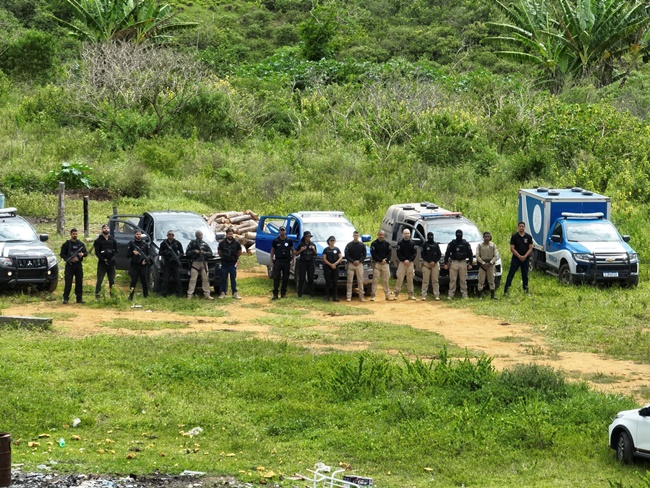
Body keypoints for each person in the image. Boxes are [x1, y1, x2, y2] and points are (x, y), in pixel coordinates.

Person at [503, 221, 533, 296]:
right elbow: (512, 248)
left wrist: (525, 256)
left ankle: (526, 290)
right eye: (520, 226)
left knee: (525, 275)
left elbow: (530, 248)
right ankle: (506, 291)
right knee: (511, 274)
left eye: (523, 226)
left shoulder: (528, 237)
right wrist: (519, 256)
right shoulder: (514, 236)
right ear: (518, 227)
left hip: (525, 259)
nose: (521, 228)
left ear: (524, 227)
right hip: (516, 259)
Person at [444, 229, 473, 300]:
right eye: (458, 234)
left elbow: (470, 253)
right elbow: (447, 253)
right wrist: (446, 263)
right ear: (455, 235)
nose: (459, 235)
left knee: (463, 279)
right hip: (454, 262)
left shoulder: (465, 243)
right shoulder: (452, 243)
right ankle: (451, 294)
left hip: (463, 262)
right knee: (452, 279)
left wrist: (470, 263)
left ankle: (464, 294)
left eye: (460, 234)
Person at [60, 228, 87, 304]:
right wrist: (69, 259)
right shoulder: (66, 244)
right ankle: (66, 298)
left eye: (76, 234)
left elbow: (86, 253)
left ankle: (79, 298)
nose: (75, 235)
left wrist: (82, 254)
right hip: (69, 266)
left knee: (79, 282)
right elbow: (62, 254)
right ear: (70, 234)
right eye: (73, 234)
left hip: (78, 265)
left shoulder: (80, 244)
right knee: (68, 282)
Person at [186, 230, 214, 300]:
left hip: (203, 262)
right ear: (196, 236)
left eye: (201, 235)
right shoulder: (192, 244)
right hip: (195, 263)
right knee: (193, 279)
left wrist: (204, 253)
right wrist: (194, 251)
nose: (200, 236)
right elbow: (187, 253)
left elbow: (210, 253)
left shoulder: (204, 244)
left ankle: (207, 294)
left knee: (205, 279)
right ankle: (190, 294)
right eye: (199, 235)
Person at [94, 224, 118, 299]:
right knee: (100, 280)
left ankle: (113, 296)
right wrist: (103, 259)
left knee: (112, 280)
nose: (106, 229)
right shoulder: (98, 240)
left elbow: (116, 250)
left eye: (107, 228)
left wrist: (112, 258)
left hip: (111, 263)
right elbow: (97, 252)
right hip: (102, 263)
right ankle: (97, 296)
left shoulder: (112, 239)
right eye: (105, 228)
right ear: (102, 230)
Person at [269, 226, 294, 300]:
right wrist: (271, 261)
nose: (282, 232)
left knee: (285, 278)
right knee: (276, 277)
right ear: (279, 231)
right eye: (281, 230)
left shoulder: (289, 240)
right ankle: (275, 294)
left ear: (285, 231)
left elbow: (292, 250)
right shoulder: (276, 240)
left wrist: (292, 260)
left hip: (286, 261)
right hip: (278, 261)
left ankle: (283, 293)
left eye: (283, 230)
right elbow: (272, 250)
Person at [218, 227, 243, 299]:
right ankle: (223, 292)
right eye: (229, 234)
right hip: (224, 263)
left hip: (232, 263)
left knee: (233, 279)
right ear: (226, 234)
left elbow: (239, 252)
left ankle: (234, 293)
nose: (230, 235)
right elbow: (219, 252)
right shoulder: (222, 243)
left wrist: (235, 258)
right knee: (223, 279)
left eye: (231, 234)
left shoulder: (237, 243)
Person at [393, 229, 417, 300]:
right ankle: (396, 294)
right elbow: (398, 253)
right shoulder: (400, 243)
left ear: (410, 234)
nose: (407, 235)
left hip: (410, 263)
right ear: (403, 234)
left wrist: (409, 260)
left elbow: (414, 253)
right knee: (400, 278)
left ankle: (410, 295)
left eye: (408, 233)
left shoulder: (413, 243)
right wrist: (404, 260)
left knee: (410, 279)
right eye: (405, 233)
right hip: (402, 263)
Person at [370, 230, 393, 301]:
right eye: (380, 235)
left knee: (386, 280)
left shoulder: (387, 244)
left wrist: (385, 260)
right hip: (377, 264)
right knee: (375, 280)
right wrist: (380, 260)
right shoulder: (374, 244)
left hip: (385, 264)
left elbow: (390, 253)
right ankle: (373, 296)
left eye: (382, 235)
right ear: (377, 235)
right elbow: (373, 255)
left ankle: (387, 296)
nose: (381, 236)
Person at [476, 231, 500, 300]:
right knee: (481, 280)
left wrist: (491, 262)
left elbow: (496, 255)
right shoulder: (479, 246)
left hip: (490, 265)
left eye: (488, 237)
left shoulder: (493, 245)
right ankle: (479, 296)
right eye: (485, 237)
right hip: (482, 266)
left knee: (491, 281)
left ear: (490, 237)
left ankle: (492, 295)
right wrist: (483, 263)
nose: (487, 238)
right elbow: (477, 256)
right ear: (483, 237)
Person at [160, 229, 184, 297]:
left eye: (172, 235)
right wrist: (165, 252)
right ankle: (164, 294)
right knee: (165, 279)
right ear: (167, 235)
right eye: (169, 234)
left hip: (175, 263)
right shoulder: (164, 243)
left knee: (177, 279)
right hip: (167, 263)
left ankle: (179, 294)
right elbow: (160, 252)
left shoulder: (177, 243)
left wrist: (177, 257)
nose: (171, 236)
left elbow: (182, 253)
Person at [127, 229, 150, 300]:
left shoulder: (145, 244)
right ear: (134, 235)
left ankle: (146, 296)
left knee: (144, 281)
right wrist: (133, 253)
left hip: (143, 265)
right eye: (137, 234)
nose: (138, 235)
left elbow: (148, 255)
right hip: (135, 265)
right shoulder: (131, 244)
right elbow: (127, 255)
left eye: (139, 234)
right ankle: (131, 296)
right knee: (133, 281)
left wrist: (145, 261)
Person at [344, 230, 367, 302]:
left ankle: (361, 297)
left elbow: (364, 255)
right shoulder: (349, 245)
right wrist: (352, 261)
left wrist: (359, 261)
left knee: (360, 281)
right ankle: (348, 296)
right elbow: (346, 255)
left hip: (359, 264)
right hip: (351, 264)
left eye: (357, 235)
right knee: (349, 281)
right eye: (355, 235)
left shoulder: (362, 245)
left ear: (359, 236)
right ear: (353, 236)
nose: (356, 237)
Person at [295, 230, 317, 299]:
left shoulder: (312, 244)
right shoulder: (301, 244)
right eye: (307, 236)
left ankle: (312, 295)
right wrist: (301, 250)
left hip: (310, 263)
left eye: (309, 236)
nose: (309, 238)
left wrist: (313, 249)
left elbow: (315, 254)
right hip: (303, 263)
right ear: (305, 237)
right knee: (301, 278)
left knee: (311, 279)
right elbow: (296, 254)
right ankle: (300, 295)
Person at [421, 232, 442, 301]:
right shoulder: (424, 245)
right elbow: (423, 255)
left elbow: (439, 254)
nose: (431, 237)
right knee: (425, 280)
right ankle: (423, 295)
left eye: (432, 236)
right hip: (427, 264)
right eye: (429, 236)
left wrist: (434, 262)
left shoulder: (436, 244)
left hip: (435, 264)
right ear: (427, 237)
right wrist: (429, 261)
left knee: (435, 280)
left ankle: (436, 295)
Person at [322, 235, 342, 301]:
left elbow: (340, 257)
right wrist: (330, 264)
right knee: (328, 282)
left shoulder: (337, 249)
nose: (332, 242)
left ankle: (335, 297)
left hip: (335, 267)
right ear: (328, 241)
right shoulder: (326, 249)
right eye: (331, 241)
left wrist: (335, 264)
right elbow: (324, 258)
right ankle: (326, 296)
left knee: (335, 282)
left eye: (333, 241)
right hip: (327, 267)